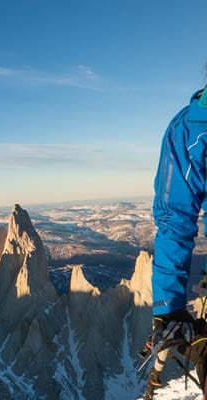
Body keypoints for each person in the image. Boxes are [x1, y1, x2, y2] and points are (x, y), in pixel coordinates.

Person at [151, 86, 207, 398]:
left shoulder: (190, 128)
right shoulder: (191, 129)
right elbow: (176, 218)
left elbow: (175, 218)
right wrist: (168, 305)